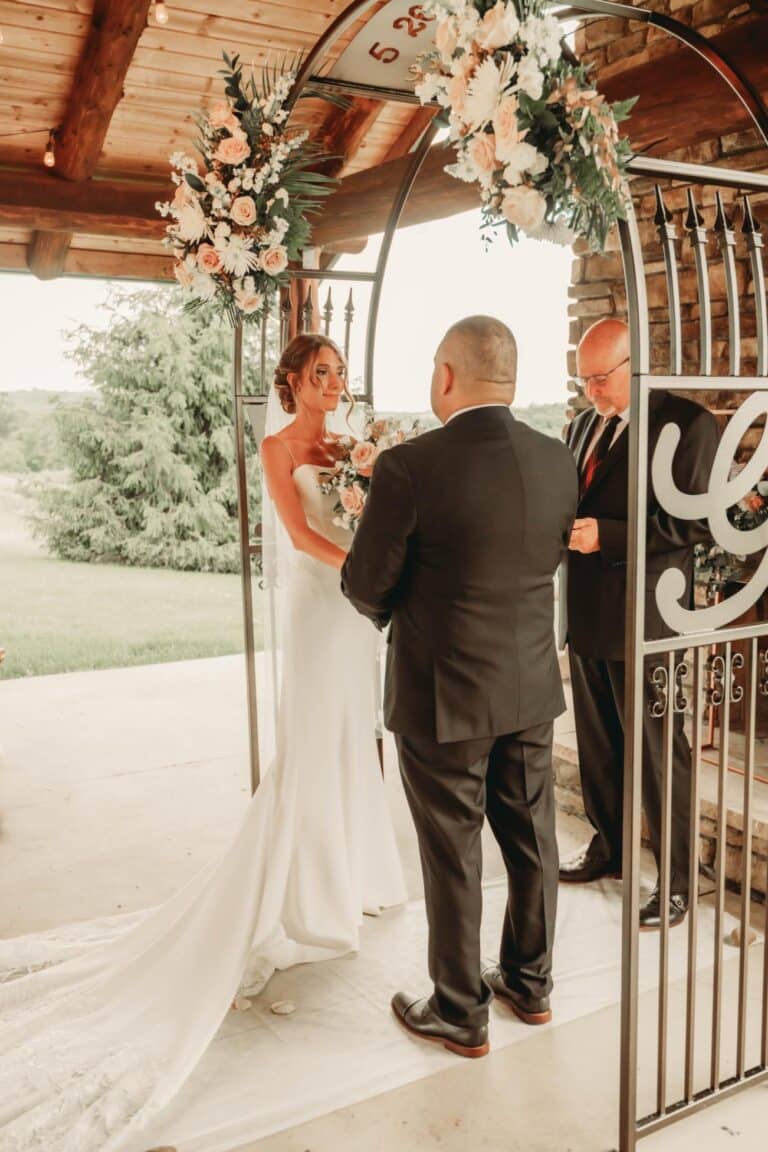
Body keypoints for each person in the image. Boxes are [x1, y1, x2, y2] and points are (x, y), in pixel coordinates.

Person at [0, 334, 406, 1151]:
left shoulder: (351, 445)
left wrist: (374, 559)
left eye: (338, 374)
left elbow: (371, 512)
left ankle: (358, 872)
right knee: (315, 738)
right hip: (323, 604)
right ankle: (308, 896)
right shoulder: (279, 443)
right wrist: (373, 576)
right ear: (290, 381)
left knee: (351, 738)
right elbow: (298, 536)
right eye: (318, 374)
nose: (333, 384)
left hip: (354, 612)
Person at [342, 315, 579, 1059]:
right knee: (533, 838)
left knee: (453, 851)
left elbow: (363, 584)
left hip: (442, 694)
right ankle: (530, 985)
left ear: (447, 375)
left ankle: (459, 1010)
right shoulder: (555, 459)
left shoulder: (410, 466)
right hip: (531, 683)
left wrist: (402, 610)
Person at [559, 317, 720, 929]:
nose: (591, 392)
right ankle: (610, 847)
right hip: (586, 616)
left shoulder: (687, 424)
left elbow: (694, 524)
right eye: (584, 381)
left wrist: (609, 536)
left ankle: (679, 879)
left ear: (637, 362)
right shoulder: (580, 427)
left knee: (657, 752)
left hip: (648, 616)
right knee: (598, 748)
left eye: (601, 378)